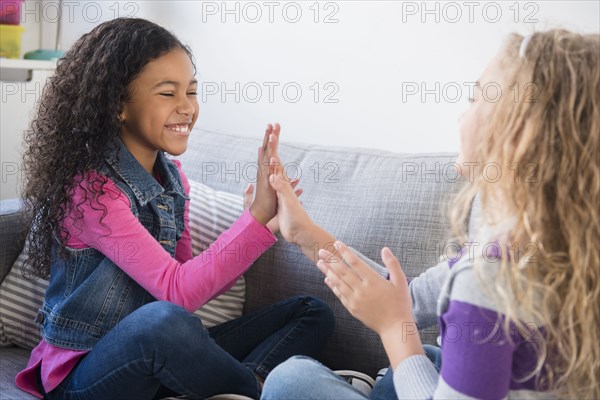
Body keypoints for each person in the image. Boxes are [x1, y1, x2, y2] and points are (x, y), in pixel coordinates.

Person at [260, 29, 599, 399]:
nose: (461, 115)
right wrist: (303, 233)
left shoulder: (487, 280)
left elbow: (398, 310)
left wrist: (393, 328)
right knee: (428, 361)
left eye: (473, 99)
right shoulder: (553, 248)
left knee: (290, 381)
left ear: (515, 134)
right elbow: (402, 296)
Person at [16, 18, 335, 400]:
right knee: (162, 321)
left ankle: (236, 387)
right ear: (118, 104)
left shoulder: (173, 180)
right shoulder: (93, 194)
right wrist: (255, 220)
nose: (187, 108)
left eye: (192, 91)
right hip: (83, 378)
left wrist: (256, 219)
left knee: (310, 312)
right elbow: (176, 295)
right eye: (168, 94)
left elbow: (190, 282)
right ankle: (256, 388)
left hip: (152, 358)